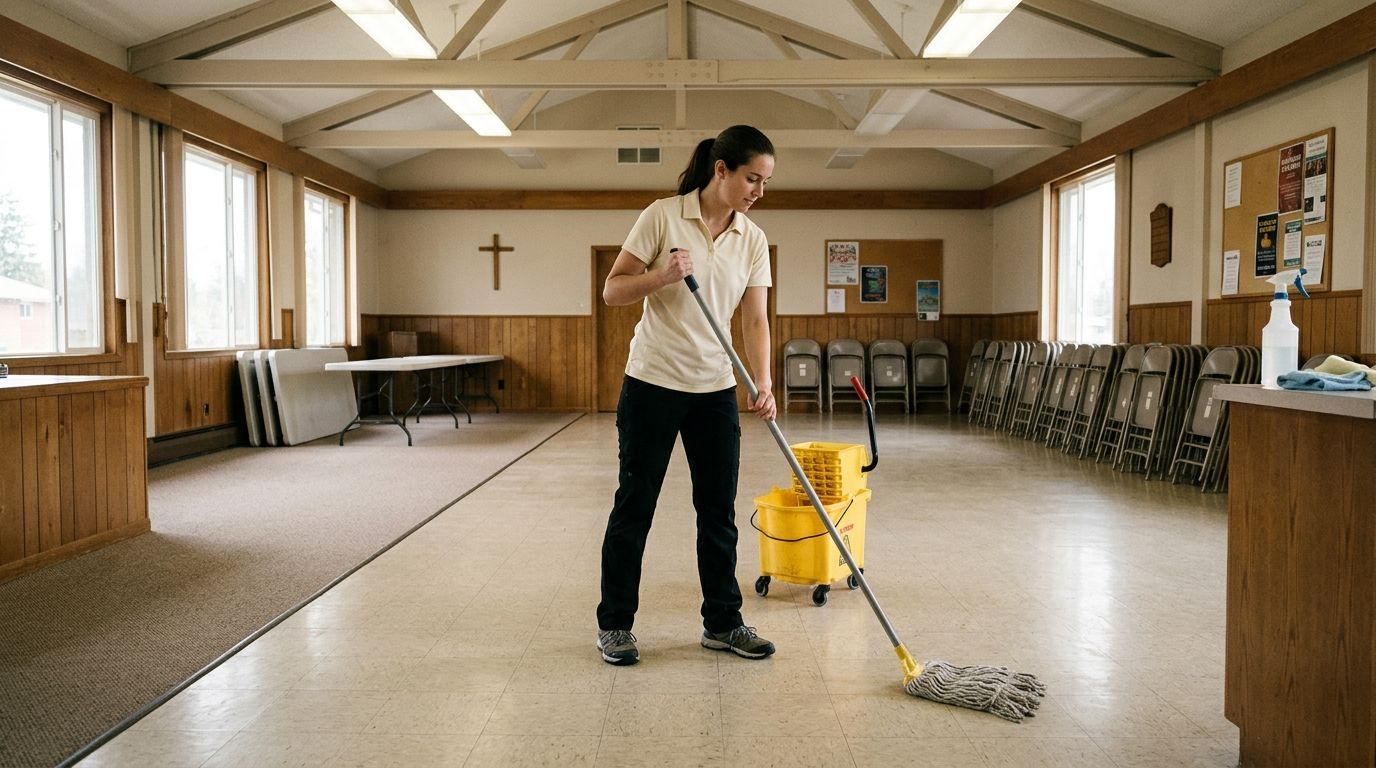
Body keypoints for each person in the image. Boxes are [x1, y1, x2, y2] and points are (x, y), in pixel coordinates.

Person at [595, 125, 778, 666]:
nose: (758, 192)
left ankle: (723, 623)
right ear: (721, 169)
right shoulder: (663, 215)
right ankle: (615, 627)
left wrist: (762, 382)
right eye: (752, 178)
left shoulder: (753, 238)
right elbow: (611, 291)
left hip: (715, 388)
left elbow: (755, 319)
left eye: (765, 182)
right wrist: (662, 275)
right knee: (635, 507)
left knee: (718, 512)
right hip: (652, 382)